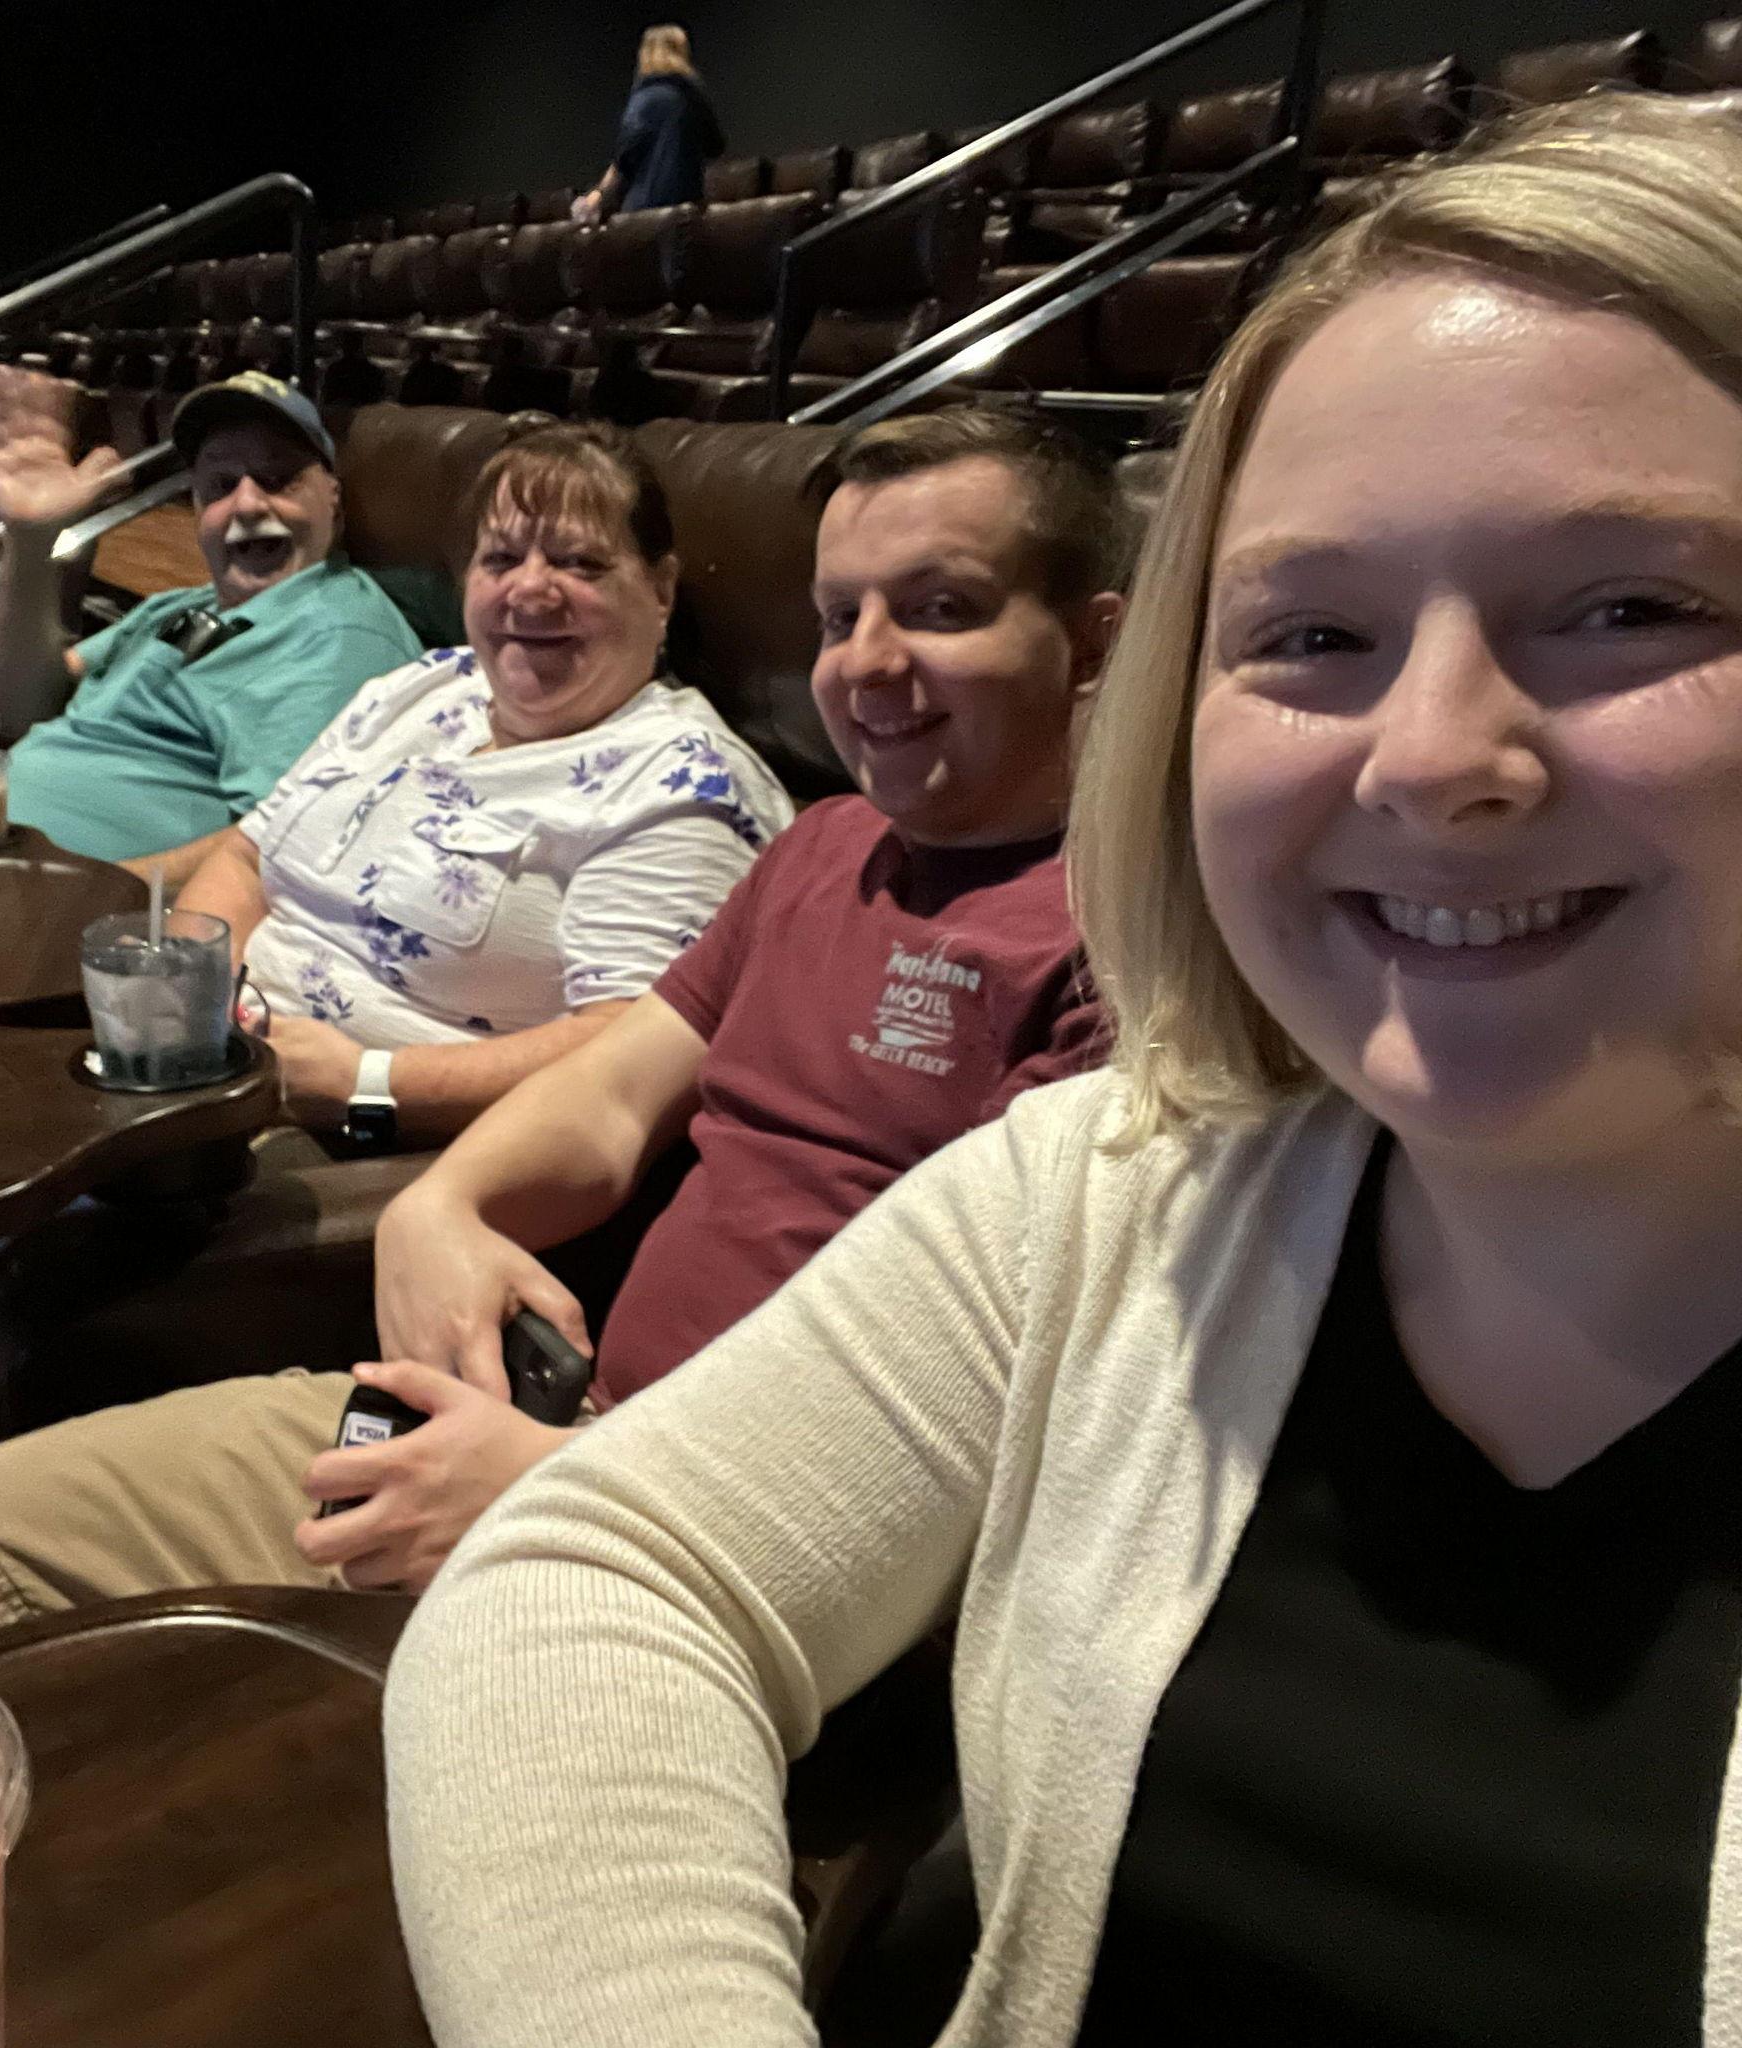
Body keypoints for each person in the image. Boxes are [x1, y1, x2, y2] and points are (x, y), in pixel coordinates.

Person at [355, 92, 1742, 2046]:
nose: (1430, 752)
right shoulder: (1113, 1187)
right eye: (1314, 628)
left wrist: (356, 1106)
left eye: (1630, 605)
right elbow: (601, 1566)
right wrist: (424, 1191)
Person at [0, 403, 1126, 1646]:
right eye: (842, 616)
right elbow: (619, 1089)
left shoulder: (1121, 949)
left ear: (1095, 642)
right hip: (549, 1410)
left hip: (693, 1540)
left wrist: (571, 1478)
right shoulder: (829, 844)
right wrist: (439, 1211)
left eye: (942, 608)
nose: (867, 664)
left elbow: (995, 1418)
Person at [0, 419, 789, 1654]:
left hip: (341, 1140)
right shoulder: (420, 689)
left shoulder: (676, 786)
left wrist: (361, 1076)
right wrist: (190, 986)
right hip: (202, 1060)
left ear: (659, 585)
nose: (529, 590)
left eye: (580, 564)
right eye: (500, 558)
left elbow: (619, 1049)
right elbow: (248, 852)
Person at [0, 365, 423, 879]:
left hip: (87, 915)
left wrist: (100, 898)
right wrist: (30, 540)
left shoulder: (332, 633)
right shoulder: (185, 610)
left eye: (277, 479)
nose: (247, 503)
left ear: (333, 501)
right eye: (221, 484)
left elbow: (282, 844)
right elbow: (18, 706)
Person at [573, 24, 724, 223]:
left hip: (641, 211)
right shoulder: (694, 97)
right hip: (686, 209)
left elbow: (625, 157)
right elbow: (716, 146)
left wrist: (598, 193)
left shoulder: (642, 99)